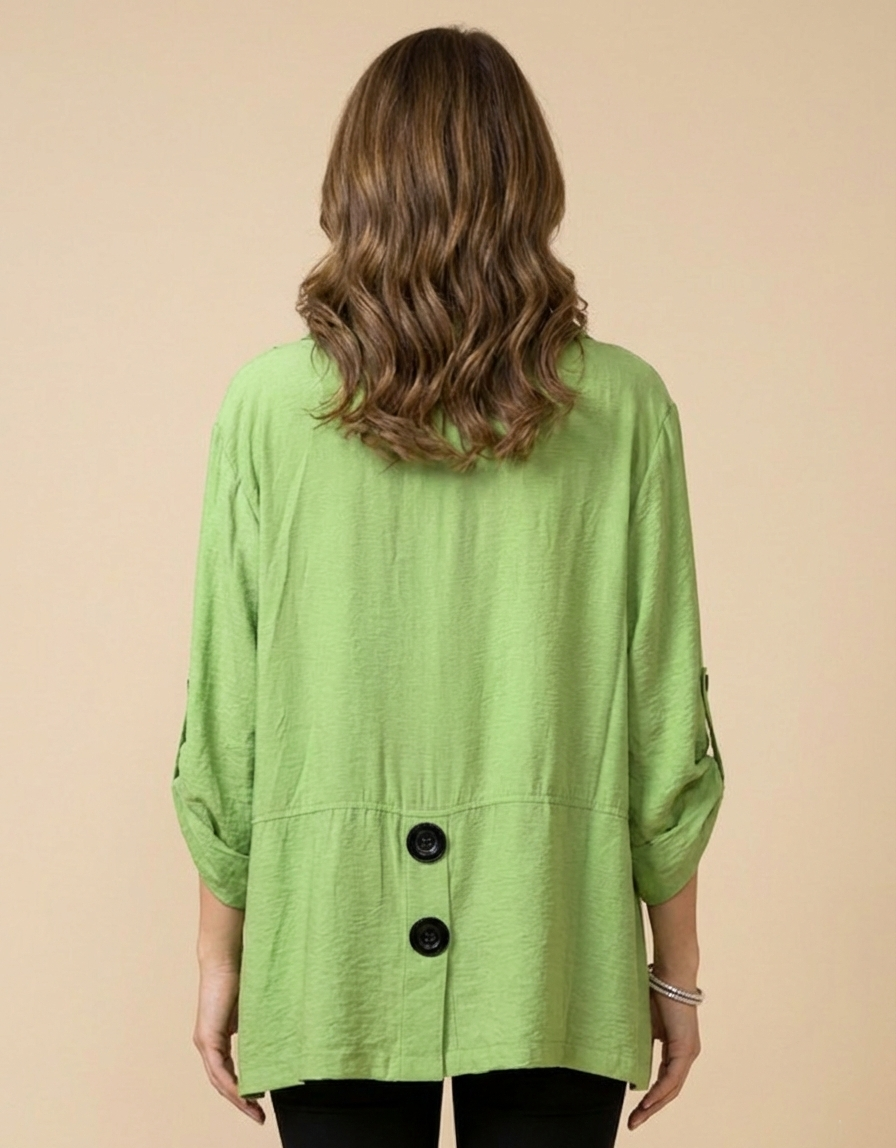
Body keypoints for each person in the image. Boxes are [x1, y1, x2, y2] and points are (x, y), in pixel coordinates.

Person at [170, 23, 726, 1148]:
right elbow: (664, 719)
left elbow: (228, 717)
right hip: (552, 939)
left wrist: (220, 955)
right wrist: (673, 971)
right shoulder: (624, 407)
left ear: (354, 186)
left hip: (327, 944)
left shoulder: (265, 408)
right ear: (532, 185)